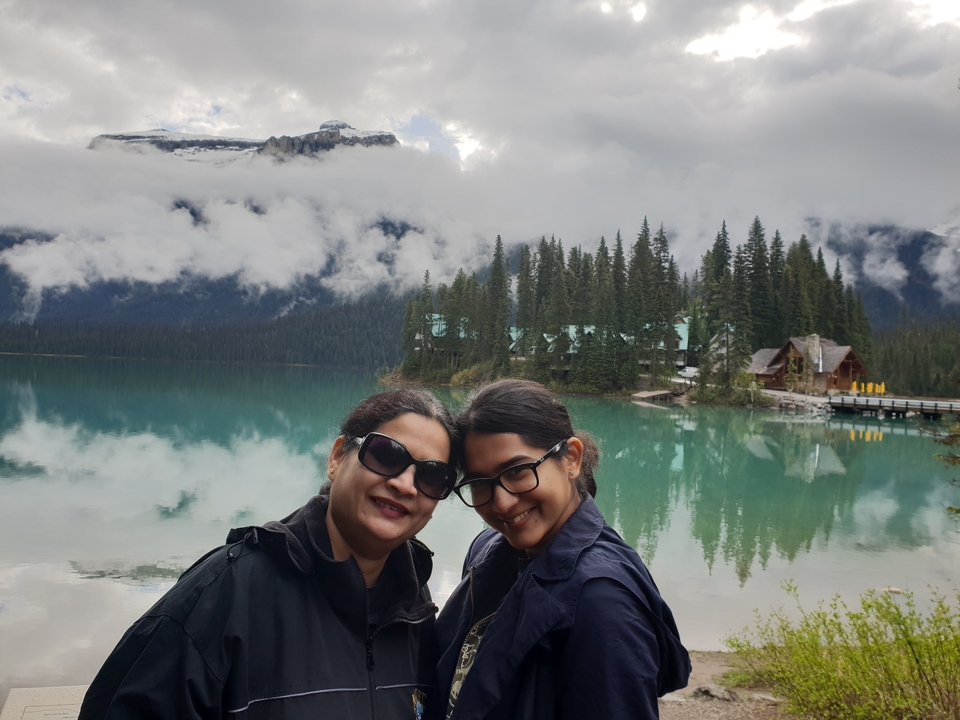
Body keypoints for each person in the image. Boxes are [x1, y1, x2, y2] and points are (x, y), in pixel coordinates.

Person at [79, 389, 459, 720]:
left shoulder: (414, 608)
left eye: (431, 476)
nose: (405, 484)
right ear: (338, 457)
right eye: (386, 455)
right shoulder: (224, 594)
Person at [432, 379, 690, 720]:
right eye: (480, 483)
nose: (503, 502)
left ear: (571, 458)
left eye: (518, 471)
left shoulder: (601, 602)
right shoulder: (488, 551)